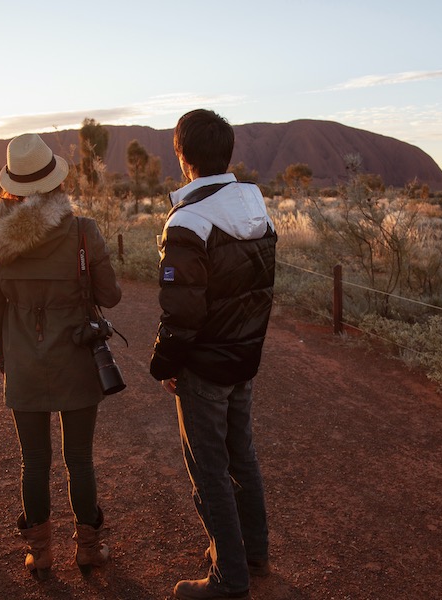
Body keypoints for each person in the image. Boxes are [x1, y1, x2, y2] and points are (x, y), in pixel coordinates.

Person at [0, 133, 122, 580]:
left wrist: (4, 357)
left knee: (33, 461)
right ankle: (89, 550)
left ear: (11, 185)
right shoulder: (82, 230)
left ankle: (40, 552)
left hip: (22, 357)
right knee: (80, 458)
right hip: (76, 355)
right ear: (55, 180)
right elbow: (110, 296)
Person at [150, 109, 277, 600]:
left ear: (182, 157)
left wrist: (165, 363)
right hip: (244, 358)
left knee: (208, 466)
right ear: (227, 155)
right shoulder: (256, 210)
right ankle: (253, 550)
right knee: (239, 454)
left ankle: (229, 578)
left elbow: (180, 313)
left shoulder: (190, 221)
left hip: (202, 366)